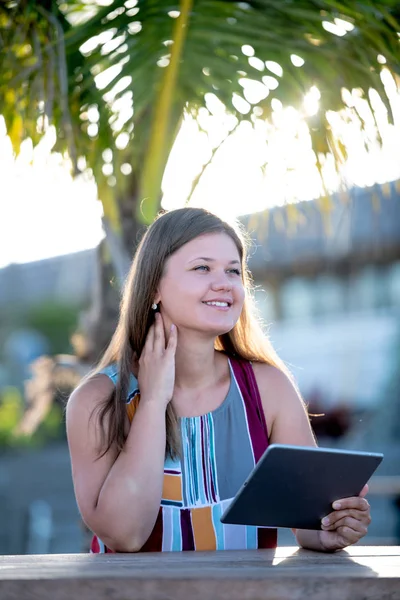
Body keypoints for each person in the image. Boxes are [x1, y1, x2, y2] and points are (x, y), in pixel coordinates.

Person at [66, 207, 371, 553]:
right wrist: (152, 401)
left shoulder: (268, 389)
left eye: (233, 271)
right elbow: (125, 535)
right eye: (202, 268)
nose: (224, 283)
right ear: (153, 289)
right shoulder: (97, 401)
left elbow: (308, 523)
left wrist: (332, 529)